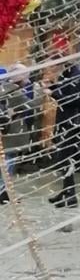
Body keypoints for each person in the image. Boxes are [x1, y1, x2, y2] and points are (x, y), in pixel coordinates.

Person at [47, 59, 80, 208]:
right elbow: (64, 91)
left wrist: (53, 93)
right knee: (63, 160)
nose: (53, 70)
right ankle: (66, 192)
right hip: (65, 124)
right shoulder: (67, 76)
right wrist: (52, 87)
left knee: (65, 159)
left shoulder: (77, 79)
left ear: (64, 65)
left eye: (55, 66)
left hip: (73, 126)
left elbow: (71, 100)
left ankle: (71, 195)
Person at [0, 67, 28, 205]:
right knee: (8, 163)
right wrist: (41, 91)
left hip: (6, 131)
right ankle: (3, 192)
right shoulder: (14, 92)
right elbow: (31, 105)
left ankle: (5, 192)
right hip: (11, 133)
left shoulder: (5, 90)